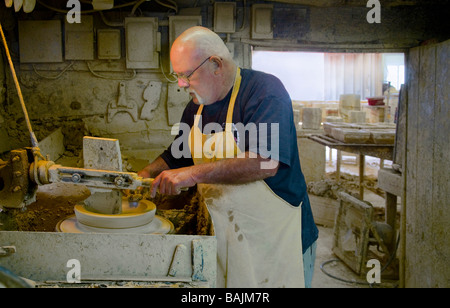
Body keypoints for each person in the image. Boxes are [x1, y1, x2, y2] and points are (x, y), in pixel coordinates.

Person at [138, 26, 318, 288]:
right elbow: (177, 156)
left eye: (186, 75)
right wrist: (144, 175)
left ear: (215, 65)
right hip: (228, 236)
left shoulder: (265, 92)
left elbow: (265, 163)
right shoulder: (195, 107)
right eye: (176, 76)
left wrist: (193, 174)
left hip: (277, 242)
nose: (181, 84)